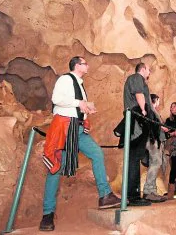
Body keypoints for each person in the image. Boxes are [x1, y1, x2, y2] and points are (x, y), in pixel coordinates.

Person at [40, 56, 121, 232]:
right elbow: (56, 99)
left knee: (97, 154)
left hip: (78, 129)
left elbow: (77, 106)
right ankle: (47, 214)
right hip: (64, 127)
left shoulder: (80, 84)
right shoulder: (65, 79)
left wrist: (86, 109)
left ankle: (105, 195)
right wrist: (79, 103)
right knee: (56, 167)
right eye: (85, 63)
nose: (88, 66)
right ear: (77, 65)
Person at [122, 62, 153, 206]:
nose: (149, 71)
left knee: (135, 157)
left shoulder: (139, 79)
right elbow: (139, 94)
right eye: (148, 69)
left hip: (138, 120)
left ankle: (132, 195)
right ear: (142, 69)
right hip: (137, 120)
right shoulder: (136, 77)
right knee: (134, 158)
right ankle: (132, 196)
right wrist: (144, 111)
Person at [142, 94, 168, 202]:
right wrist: (162, 127)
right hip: (153, 140)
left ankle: (151, 190)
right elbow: (154, 125)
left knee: (155, 163)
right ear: (155, 100)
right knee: (156, 162)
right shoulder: (151, 110)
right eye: (158, 101)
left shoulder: (150, 110)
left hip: (154, 140)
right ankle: (149, 190)